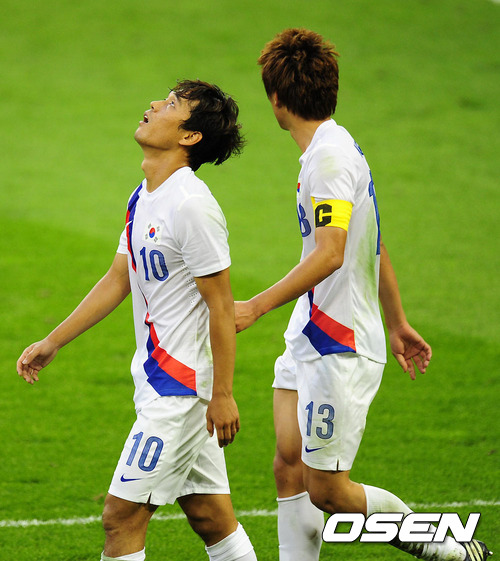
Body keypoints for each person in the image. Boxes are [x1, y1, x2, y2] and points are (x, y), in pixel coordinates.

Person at [235, 28, 492, 561]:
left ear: (276, 100)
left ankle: (446, 549)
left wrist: (255, 306)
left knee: (329, 491)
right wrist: (397, 321)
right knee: (288, 464)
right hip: (312, 329)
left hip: (340, 342)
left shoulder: (330, 159)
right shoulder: (329, 149)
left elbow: (331, 253)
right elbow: (372, 243)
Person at [17, 80, 257, 561]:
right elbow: (118, 277)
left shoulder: (192, 206)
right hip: (158, 382)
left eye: (170, 105)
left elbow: (221, 305)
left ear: (189, 136)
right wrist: (54, 340)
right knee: (210, 518)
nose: (153, 105)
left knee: (120, 517)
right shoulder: (144, 195)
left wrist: (223, 394)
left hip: (182, 391)